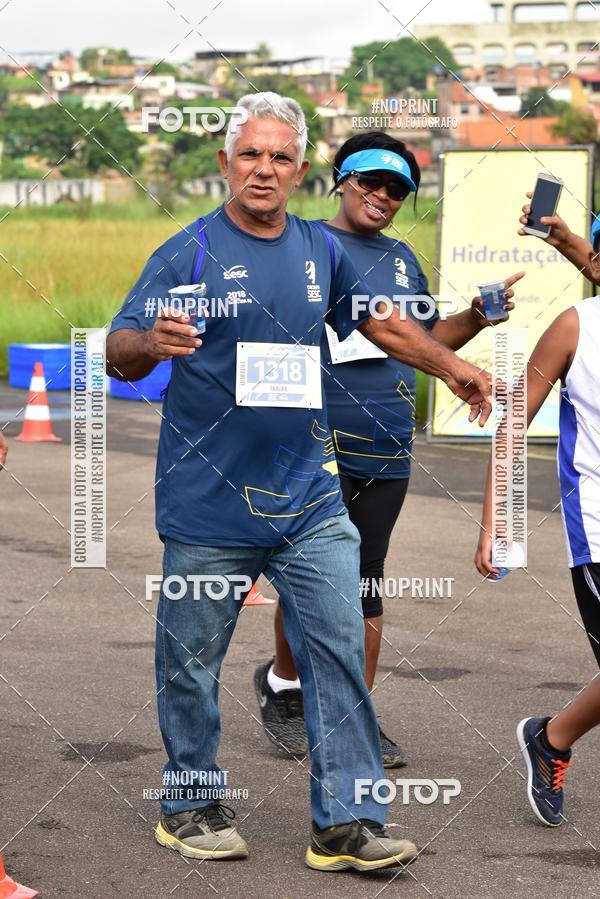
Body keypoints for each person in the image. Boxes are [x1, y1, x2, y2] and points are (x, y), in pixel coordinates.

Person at [107, 92, 492, 872]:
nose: (265, 168)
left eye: (281, 156)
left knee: (339, 647)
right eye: (251, 154)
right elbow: (118, 351)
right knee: (188, 662)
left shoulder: (324, 250)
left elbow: (384, 322)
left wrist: (452, 366)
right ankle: (188, 803)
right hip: (209, 501)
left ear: (301, 170)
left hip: (308, 500)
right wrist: (153, 340)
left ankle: (346, 822)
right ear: (225, 162)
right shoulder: (188, 250)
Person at [254, 132, 523, 768]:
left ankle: (353, 719)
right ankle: (284, 688)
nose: (382, 197)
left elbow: (422, 340)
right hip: (312, 443)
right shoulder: (303, 244)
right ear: (340, 179)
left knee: (367, 578)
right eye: (371, 182)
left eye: (397, 189)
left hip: (385, 444)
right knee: (308, 579)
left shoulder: (402, 260)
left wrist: (477, 317)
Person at [474, 199, 600, 827]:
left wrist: (566, 239)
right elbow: (512, 425)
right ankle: (549, 739)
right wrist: (496, 516)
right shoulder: (577, 327)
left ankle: (550, 737)